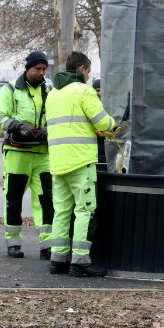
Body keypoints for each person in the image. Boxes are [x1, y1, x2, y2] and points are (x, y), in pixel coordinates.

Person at [46, 52, 116, 277]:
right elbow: (103, 122)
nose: (89, 77)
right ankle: (80, 262)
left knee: (62, 211)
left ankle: (58, 259)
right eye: (88, 71)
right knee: (85, 210)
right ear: (82, 68)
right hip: (80, 161)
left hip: (57, 161)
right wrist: (114, 126)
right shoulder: (84, 90)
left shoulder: (53, 94)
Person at [0, 51, 53, 259]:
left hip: (43, 153)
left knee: (46, 200)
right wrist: (16, 126)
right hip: (17, 152)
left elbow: (57, 115)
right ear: (28, 68)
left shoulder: (50, 89)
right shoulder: (11, 89)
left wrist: (49, 129)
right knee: (13, 199)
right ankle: (14, 244)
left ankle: (47, 245)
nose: (41, 72)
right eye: (38, 69)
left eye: (44, 69)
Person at [92, 79, 106, 164]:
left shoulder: (108, 103)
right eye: (97, 90)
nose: (99, 93)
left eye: (101, 90)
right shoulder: (90, 104)